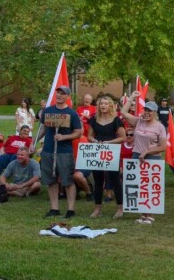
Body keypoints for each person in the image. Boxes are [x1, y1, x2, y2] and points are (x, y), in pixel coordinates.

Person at [35, 86, 83, 218]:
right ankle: (54, 208)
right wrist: (33, 142)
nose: (59, 95)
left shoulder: (72, 113)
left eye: (62, 94)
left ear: (68, 97)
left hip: (64, 152)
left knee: (67, 180)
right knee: (51, 180)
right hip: (48, 150)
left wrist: (64, 137)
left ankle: (71, 209)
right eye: (58, 93)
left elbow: (78, 133)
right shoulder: (48, 111)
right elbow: (43, 129)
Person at [120, 93, 167, 224]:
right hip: (136, 156)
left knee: (150, 186)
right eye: (145, 110)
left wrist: (147, 151)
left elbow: (163, 146)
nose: (146, 113)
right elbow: (123, 112)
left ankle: (150, 215)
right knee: (138, 185)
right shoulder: (138, 121)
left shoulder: (159, 127)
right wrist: (131, 98)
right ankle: (142, 214)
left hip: (152, 158)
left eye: (149, 111)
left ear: (155, 113)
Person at [86, 94, 126, 218]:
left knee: (115, 180)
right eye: (101, 103)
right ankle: (97, 209)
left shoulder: (116, 120)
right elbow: (89, 136)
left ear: (110, 106)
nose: (103, 105)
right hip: (97, 151)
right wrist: (94, 141)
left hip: (111, 151)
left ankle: (120, 208)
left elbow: (123, 137)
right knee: (98, 180)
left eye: (105, 103)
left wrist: (109, 142)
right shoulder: (94, 119)